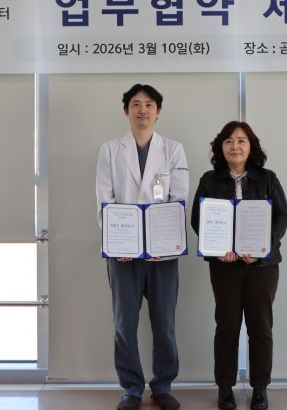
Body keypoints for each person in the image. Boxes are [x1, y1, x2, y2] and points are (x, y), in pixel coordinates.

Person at [96, 84, 189, 410]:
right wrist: (116, 243)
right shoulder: (110, 150)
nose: (143, 110)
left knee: (164, 324)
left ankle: (162, 386)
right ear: (126, 111)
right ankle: (132, 388)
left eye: (149, 104)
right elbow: (104, 199)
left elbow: (179, 199)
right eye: (136, 104)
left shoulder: (173, 149)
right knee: (124, 324)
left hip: (163, 255)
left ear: (158, 111)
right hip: (123, 255)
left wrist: (167, 242)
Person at [191, 121, 287, 410]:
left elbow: (281, 216)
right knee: (227, 327)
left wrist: (262, 249)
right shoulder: (209, 180)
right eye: (229, 141)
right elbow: (198, 219)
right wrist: (217, 250)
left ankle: (260, 388)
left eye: (241, 141)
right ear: (220, 147)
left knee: (260, 327)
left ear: (251, 146)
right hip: (225, 267)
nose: (235, 146)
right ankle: (225, 388)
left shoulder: (268, 178)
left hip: (262, 267)